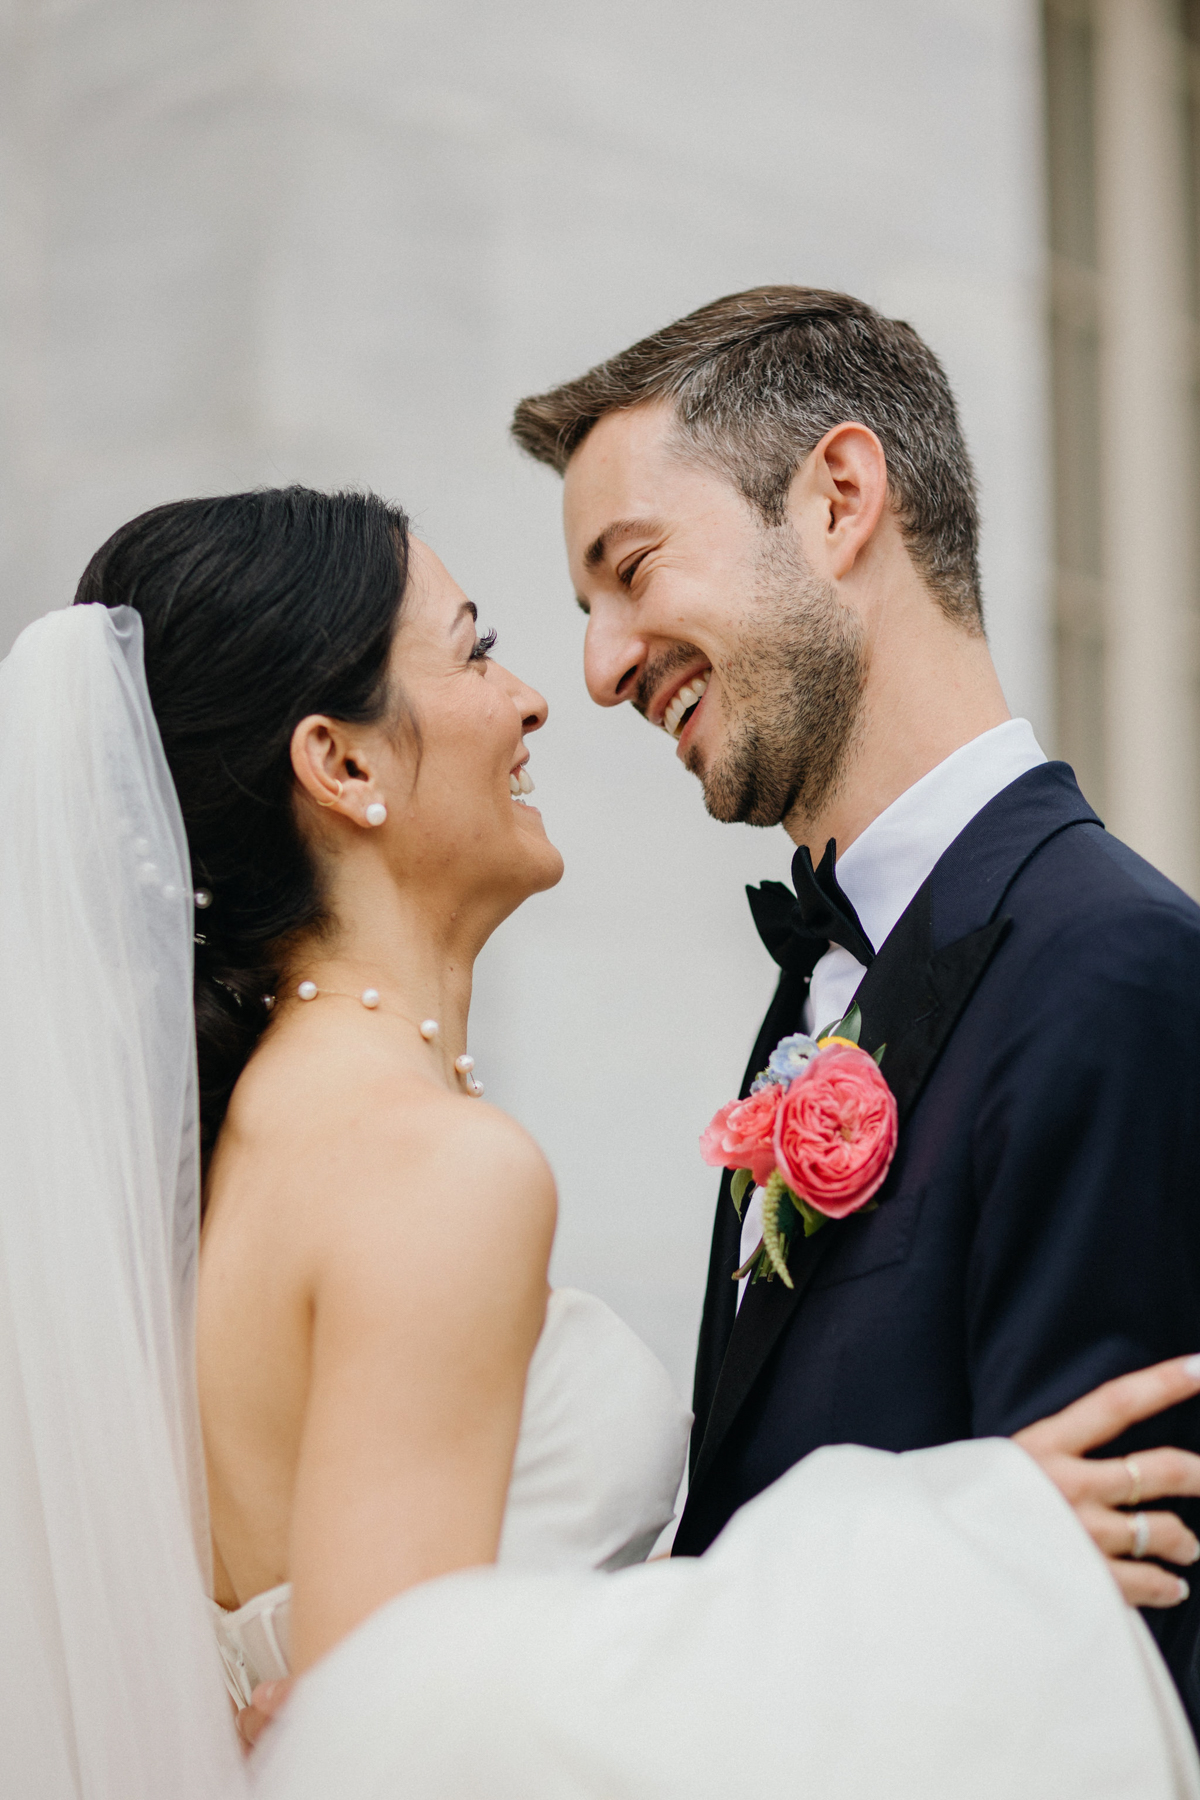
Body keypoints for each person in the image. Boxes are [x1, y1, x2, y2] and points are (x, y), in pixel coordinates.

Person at [2, 486, 1200, 1800]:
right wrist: (961, 1549)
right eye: (473, 648)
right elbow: (392, 1749)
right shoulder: (429, 1171)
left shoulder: (231, 1164)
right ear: (341, 766)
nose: (535, 699)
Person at [510, 284, 1200, 1728]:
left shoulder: (1118, 973)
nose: (601, 666)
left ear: (837, 499)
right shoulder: (819, 985)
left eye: (632, 569)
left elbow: (1122, 1655)